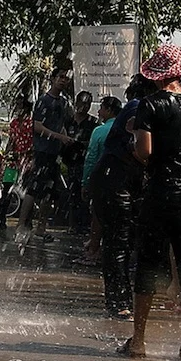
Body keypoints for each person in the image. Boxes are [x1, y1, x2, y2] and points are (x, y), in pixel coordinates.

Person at [117, 44, 181, 361]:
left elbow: (144, 152)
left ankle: (139, 341)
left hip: (158, 195)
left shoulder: (150, 105)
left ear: (156, 77)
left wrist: (136, 146)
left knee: (147, 266)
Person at [90, 75, 155, 320]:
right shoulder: (138, 108)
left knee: (127, 241)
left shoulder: (142, 106)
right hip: (113, 178)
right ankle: (118, 302)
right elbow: (138, 150)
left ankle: (123, 298)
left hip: (121, 179)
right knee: (119, 240)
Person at [14, 68, 74, 248]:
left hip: (55, 153)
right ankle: (21, 225)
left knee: (50, 190)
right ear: (53, 79)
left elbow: (61, 125)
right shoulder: (43, 101)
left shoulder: (64, 103)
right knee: (34, 188)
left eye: (66, 78)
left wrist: (66, 139)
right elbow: (38, 127)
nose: (63, 81)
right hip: (42, 152)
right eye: (60, 77)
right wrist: (58, 137)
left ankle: (41, 227)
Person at [74, 95, 122, 267]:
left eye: (101, 108)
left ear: (109, 110)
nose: (99, 111)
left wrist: (85, 183)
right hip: (121, 182)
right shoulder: (125, 128)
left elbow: (91, 158)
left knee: (97, 217)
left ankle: (94, 252)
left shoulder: (99, 131)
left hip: (101, 180)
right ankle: (110, 253)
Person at [61, 90, 100, 234]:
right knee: (72, 195)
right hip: (70, 163)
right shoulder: (67, 120)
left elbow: (94, 143)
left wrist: (81, 143)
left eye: (87, 104)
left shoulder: (93, 123)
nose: (84, 107)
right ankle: (72, 225)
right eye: (82, 103)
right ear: (76, 103)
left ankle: (86, 227)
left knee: (86, 195)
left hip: (86, 164)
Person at [0, 96, 33, 236]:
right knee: (7, 189)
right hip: (14, 161)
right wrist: (7, 154)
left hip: (26, 161)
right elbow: (11, 140)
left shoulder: (31, 124)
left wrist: (24, 154)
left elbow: (33, 144)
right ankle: (1, 219)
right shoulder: (14, 123)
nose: (18, 109)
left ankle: (26, 221)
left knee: (26, 192)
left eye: (20, 106)